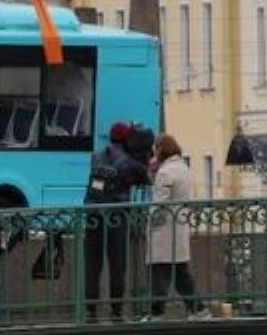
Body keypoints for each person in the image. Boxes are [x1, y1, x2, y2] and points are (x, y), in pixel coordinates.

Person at [83, 121, 150, 321]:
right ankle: (116, 311)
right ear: (127, 140)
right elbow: (147, 179)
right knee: (117, 265)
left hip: (93, 215)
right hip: (116, 217)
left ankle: (90, 311)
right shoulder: (129, 162)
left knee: (93, 265)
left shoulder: (95, 156)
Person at [145, 134, 210, 321]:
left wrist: (149, 222)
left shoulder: (166, 172)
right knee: (181, 273)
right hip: (179, 227)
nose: (154, 153)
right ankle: (198, 309)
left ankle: (156, 313)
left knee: (159, 273)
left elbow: (160, 202)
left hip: (164, 230)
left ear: (161, 150)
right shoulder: (183, 167)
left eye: (155, 149)